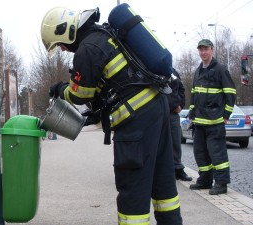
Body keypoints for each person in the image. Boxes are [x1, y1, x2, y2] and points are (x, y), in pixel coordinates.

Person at [41, 7, 183, 224]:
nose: (61, 49)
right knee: (163, 186)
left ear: (67, 33)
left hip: (136, 121)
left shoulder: (87, 49)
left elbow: (80, 95)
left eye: (59, 43)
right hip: (158, 107)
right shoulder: (105, 36)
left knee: (133, 191)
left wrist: (60, 89)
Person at [188, 39, 236, 195]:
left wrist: (226, 115)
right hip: (199, 122)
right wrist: (191, 114)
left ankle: (221, 184)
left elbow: (230, 93)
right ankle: (205, 180)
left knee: (217, 154)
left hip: (215, 121)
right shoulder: (198, 71)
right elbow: (194, 95)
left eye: (206, 49)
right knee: (200, 153)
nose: (203, 52)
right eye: (200, 50)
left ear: (212, 50)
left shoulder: (221, 70)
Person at [167, 69, 192, 181]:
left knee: (176, 143)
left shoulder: (173, 72)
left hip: (173, 114)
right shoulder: (151, 68)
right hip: (157, 112)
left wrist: (180, 104)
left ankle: (178, 169)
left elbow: (181, 88)